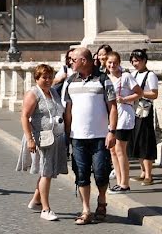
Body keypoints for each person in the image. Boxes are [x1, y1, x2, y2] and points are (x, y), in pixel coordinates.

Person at [62, 47, 117, 225]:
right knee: (81, 174)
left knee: (101, 173)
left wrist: (112, 131)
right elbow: (67, 111)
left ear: (83, 61)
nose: (70, 62)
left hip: (100, 137)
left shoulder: (103, 80)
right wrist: (66, 135)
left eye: (73, 59)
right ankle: (86, 209)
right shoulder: (70, 81)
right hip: (77, 137)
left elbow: (113, 107)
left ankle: (101, 201)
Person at [17, 64, 67, 222]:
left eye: (50, 77)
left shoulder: (53, 91)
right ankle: (46, 209)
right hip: (41, 139)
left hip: (56, 137)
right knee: (46, 172)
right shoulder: (33, 94)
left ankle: (36, 200)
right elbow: (24, 116)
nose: (47, 80)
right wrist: (30, 138)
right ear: (36, 78)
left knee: (48, 172)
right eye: (44, 77)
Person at [105, 51, 142, 194]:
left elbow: (139, 92)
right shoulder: (106, 78)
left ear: (119, 63)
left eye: (115, 62)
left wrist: (125, 99)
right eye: (109, 62)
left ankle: (125, 184)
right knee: (113, 150)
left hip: (124, 115)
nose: (112, 65)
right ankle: (119, 181)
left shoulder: (126, 77)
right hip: (112, 116)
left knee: (120, 149)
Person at [128, 49, 159, 185]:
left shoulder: (150, 75)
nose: (135, 64)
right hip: (134, 109)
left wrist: (141, 93)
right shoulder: (133, 74)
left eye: (138, 61)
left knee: (145, 141)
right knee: (138, 140)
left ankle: (149, 174)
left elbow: (154, 94)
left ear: (144, 61)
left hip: (145, 110)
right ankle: (142, 171)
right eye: (133, 61)